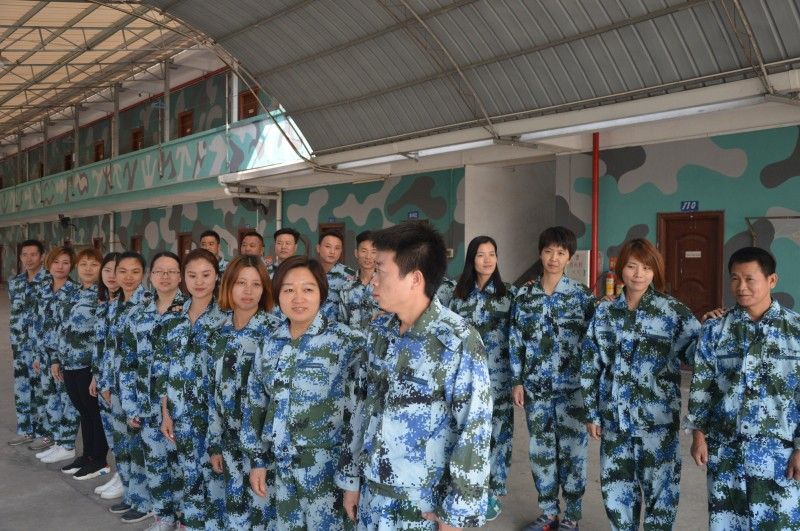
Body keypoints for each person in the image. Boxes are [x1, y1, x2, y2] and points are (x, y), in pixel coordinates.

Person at [339, 221, 493, 530]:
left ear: (415, 279)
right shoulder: (380, 332)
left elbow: (474, 430)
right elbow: (360, 408)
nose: (372, 281)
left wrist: (456, 514)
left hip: (421, 506)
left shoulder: (457, 340)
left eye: (380, 271)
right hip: (372, 495)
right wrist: (350, 479)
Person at [581, 238, 700, 531]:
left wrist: (715, 329)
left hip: (658, 424)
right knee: (617, 494)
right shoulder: (605, 313)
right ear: (621, 268)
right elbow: (591, 364)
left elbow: (698, 354)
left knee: (662, 496)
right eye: (632, 266)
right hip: (615, 422)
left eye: (646, 268)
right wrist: (592, 413)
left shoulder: (672, 312)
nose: (638, 274)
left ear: (655, 271)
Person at [242, 255, 363, 529]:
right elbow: (256, 404)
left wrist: (352, 477)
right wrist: (257, 460)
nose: (298, 299)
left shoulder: (347, 342)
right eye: (288, 290)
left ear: (322, 293)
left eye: (308, 289)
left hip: (330, 471)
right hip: (282, 469)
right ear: (277, 295)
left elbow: (361, 413)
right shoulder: (270, 344)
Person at [687, 247, 800, 530]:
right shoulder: (715, 330)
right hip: (727, 453)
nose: (741, 287)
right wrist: (699, 436)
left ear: (772, 280)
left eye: (750, 279)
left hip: (779, 456)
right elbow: (702, 388)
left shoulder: (795, 331)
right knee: (726, 524)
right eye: (735, 279)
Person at [509, 227, 595, 531]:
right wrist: (517, 380)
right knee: (541, 453)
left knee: (574, 455)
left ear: (569, 257)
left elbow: (594, 343)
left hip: (573, 391)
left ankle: (571, 517)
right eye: (548, 251)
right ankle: (548, 513)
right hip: (537, 390)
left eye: (561, 252)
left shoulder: (582, 297)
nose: (554, 258)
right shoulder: (524, 296)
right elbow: (515, 340)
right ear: (540, 253)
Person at [159, 249, 227, 530]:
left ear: (217, 277)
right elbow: (164, 368)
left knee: (216, 479)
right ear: (183, 278)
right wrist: (165, 412)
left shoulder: (227, 318)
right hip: (181, 415)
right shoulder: (172, 318)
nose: (199, 282)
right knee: (188, 475)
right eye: (192, 275)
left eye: (206, 275)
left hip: (214, 417)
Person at [119, 251, 186, 529]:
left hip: (180, 408)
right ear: (151, 276)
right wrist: (130, 405)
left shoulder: (189, 312)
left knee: (181, 467)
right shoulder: (137, 315)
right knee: (156, 466)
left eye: (172, 271)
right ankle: (163, 517)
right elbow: (127, 363)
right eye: (159, 271)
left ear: (180, 276)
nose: (165, 277)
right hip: (146, 407)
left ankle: (185, 519)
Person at [208, 255, 276, 530]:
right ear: (228, 286)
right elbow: (213, 391)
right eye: (240, 283)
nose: (248, 291)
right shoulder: (219, 332)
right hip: (228, 441)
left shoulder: (274, 332)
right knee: (234, 512)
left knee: (262, 516)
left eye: (256, 284)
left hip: (262, 446)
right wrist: (214, 443)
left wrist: (261, 455)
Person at [450, 236, 514, 522]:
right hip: (466, 378)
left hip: (499, 379)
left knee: (499, 436)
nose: (487, 260)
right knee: (468, 433)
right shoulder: (458, 295)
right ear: (471, 260)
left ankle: (492, 493)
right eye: (480, 254)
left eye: (492, 254)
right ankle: (469, 487)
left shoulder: (508, 295)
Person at [98, 251, 152, 520]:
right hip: (114, 388)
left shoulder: (148, 304)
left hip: (135, 390)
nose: (128, 277)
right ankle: (130, 494)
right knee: (120, 446)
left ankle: (144, 502)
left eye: (135, 271)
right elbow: (109, 348)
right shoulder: (114, 304)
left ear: (143, 274)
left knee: (137, 447)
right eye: (123, 271)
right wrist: (104, 381)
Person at [51, 248, 110, 480]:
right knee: (83, 411)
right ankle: (87, 456)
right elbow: (61, 327)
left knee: (94, 412)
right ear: (77, 267)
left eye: (94, 264)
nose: (88, 269)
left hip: (87, 365)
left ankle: (99, 460)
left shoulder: (103, 296)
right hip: (69, 363)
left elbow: (103, 336)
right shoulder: (72, 293)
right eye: (83, 264)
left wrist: (97, 371)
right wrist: (56, 358)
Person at [33, 246, 80, 465]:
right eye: (56, 262)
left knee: (67, 400)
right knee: (50, 399)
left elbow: (71, 329)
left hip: (63, 356)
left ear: (72, 266)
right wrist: (37, 355)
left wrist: (58, 358)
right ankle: (58, 441)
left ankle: (68, 445)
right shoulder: (43, 289)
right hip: (44, 355)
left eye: (65, 263)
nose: (60, 267)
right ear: (48, 264)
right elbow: (38, 323)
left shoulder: (75, 292)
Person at [8, 239, 49, 447]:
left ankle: (44, 432)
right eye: (25, 255)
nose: (29, 259)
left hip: (41, 346)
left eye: (33, 254)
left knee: (42, 388)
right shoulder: (15, 283)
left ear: (42, 256)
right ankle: (25, 429)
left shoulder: (50, 281)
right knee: (22, 387)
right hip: (19, 344)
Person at [92, 252, 125, 499]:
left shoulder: (131, 304)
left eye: (118, 270)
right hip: (104, 377)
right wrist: (97, 376)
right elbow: (101, 345)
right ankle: (120, 473)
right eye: (107, 270)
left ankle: (126, 478)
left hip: (120, 383)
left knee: (123, 434)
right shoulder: (105, 303)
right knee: (112, 430)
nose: (112, 276)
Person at [338, 230, 380, 329]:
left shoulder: (386, 285)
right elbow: (342, 323)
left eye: (373, 252)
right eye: (364, 251)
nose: (368, 257)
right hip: (353, 338)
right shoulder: (346, 287)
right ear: (356, 253)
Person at [316, 229, 356, 321]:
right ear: (318, 248)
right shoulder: (307, 272)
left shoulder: (350, 275)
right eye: (328, 246)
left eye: (337, 248)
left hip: (337, 326)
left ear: (341, 251)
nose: (332, 251)